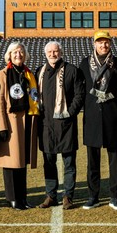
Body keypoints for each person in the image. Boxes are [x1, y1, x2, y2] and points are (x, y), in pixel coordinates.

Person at [80, 30, 117, 210]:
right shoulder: (85, 63)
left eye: (106, 42)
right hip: (92, 117)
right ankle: (93, 196)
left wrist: (112, 95)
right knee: (93, 161)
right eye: (100, 42)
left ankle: (115, 197)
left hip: (112, 116)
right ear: (94, 44)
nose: (103, 45)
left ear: (110, 44)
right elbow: (80, 88)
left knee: (114, 160)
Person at [36, 41, 85, 210]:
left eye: (55, 51)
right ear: (45, 53)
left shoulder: (72, 70)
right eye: (49, 51)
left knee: (69, 163)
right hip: (45, 125)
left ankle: (68, 196)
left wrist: (69, 113)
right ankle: (50, 195)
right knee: (48, 163)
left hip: (66, 125)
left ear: (61, 52)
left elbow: (79, 95)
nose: (52, 54)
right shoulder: (39, 72)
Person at [0, 42, 40, 210]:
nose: (18, 55)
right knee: (11, 163)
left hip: (27, 120)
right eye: (15, 52)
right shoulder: (4, 74)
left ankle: (22, 197)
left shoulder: (28, 74)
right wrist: (2, 126)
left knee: (22, 162)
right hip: (11, 122)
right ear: (9, 55)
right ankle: (12, 198)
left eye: (21, 52)